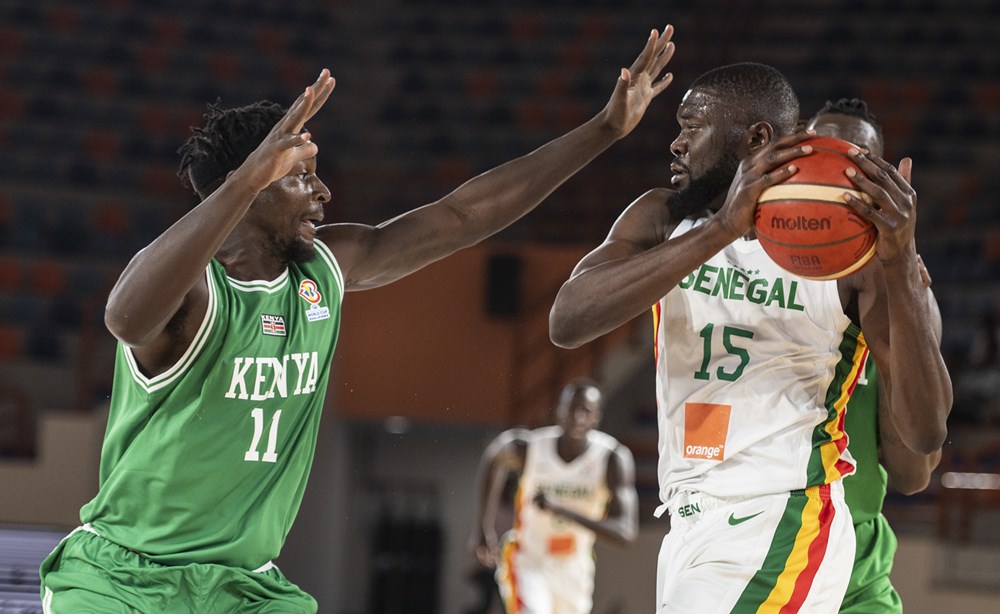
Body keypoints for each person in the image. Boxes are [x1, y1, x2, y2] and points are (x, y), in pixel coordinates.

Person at [37, 28, 676, 613]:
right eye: (303, 179)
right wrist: (244, 180)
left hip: (241, 586)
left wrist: (603, 131)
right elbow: (123, 317)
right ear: (253, 187)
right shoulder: (193, 293)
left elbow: (460, 216)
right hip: (122, 577)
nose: (324, 194)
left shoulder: (323, 268)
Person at [549, 63, 952, 613]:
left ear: (756, 138)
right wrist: (722, 231)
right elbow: (567, 321)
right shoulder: (664, 218)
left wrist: (901, 263)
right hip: (690, 518)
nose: (676, 143)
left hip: (785, 515)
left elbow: (925, 438)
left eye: (691, 126)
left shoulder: (858, 259)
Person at [806, 98, 947, 613]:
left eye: (857, 159)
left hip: (853, 564)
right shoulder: (757, 264)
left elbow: (913, 474)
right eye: (823, 149)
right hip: (753, 543)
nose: (839, 168)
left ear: (881, 177)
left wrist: (890, 319)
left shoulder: (905, 292)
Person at [471, 378, 639, 614]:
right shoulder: (531, 447)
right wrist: (482, 526)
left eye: (586, 411)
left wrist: (560, 509)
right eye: (571, 409)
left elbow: (625, 533)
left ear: (597, 417)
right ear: (559, 411)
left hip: (575, 565)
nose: (577, 417)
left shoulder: (612, 458)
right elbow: (495, 456)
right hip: (529, 558)